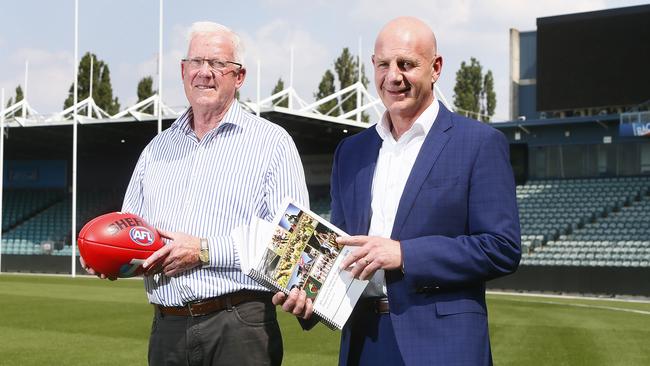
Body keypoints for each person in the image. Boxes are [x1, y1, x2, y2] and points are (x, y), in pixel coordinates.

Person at [274, 16, 520, 365]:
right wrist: (309, 298)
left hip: (443, 346)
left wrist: (405, 254)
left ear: (435, 68)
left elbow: (501, 248)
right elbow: (342, 249)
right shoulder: (351, 152)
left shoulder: (479, 143)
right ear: (373, 67)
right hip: (363, 340)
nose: (394, 77)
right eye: (384, 65)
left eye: (407, 65)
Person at [81, 21, 308, 366]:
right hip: (167, 326)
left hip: (239, 325)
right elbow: (132, 231)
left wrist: (204, 250)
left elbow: (293, 242)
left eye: (218, 64)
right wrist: (106, 256)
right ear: (183, 71)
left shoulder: (272, 143)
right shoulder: (156, 149)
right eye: (196, 62)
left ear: (239, 76)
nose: (205, 73)